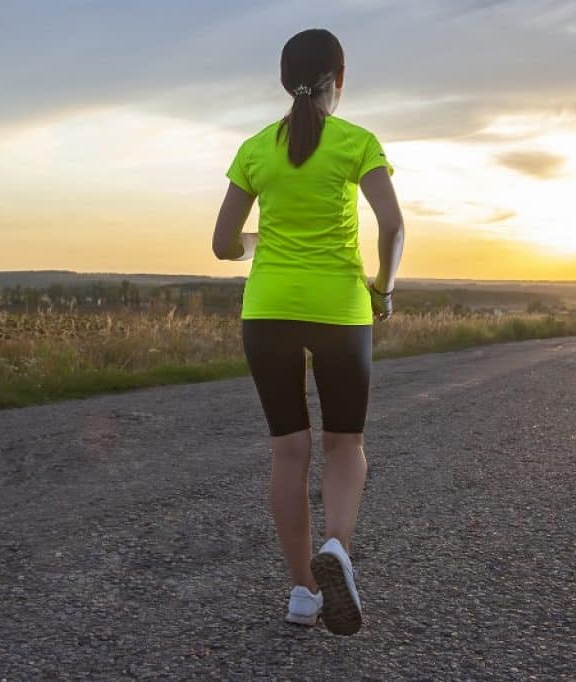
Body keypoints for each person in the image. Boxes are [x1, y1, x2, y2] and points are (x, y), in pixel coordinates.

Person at [211, 28, 404, 636]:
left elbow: (221, 245)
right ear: (339, 82)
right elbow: (393, 226)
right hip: (339, 309)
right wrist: (384, 289)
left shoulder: (255, 149)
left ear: (282, 80)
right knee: (344, 445)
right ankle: (338, 550)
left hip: (267, 311)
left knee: (287, 452)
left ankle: (301, 591)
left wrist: (260, 241)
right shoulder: (357, 142)